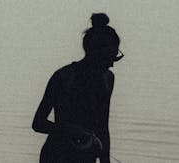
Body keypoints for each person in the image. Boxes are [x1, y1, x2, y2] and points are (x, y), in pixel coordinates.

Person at [32, 13, 122, 163]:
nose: (112, 64)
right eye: (110, 57)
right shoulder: (63, 77)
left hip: (87, 156)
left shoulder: (108, 79)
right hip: (56, 155)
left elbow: (103, 127)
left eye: (115, 57)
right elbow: (38, 123)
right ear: (94, 53)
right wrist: (69, 131)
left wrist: (105, 160)